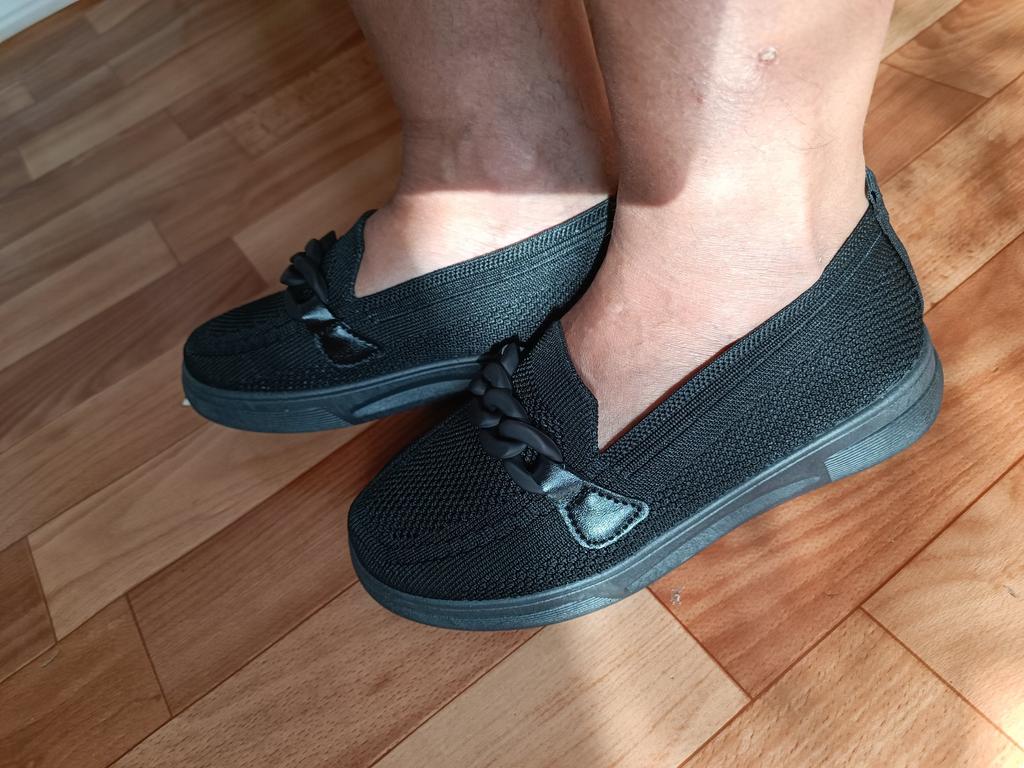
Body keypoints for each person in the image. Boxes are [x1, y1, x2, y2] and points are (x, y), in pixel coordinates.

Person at [183, 0, 942, 629]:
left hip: (762, 270)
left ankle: (743, 259)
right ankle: (512, 167)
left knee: (726, 206)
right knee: (502, 142)